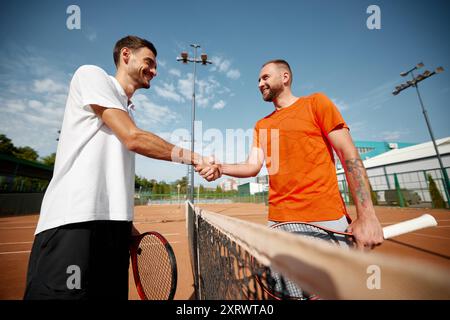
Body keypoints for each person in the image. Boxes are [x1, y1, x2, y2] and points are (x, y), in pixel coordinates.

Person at [24, 35, 210, 300]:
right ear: (126, 55)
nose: (154, 71)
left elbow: (112, 170)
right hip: (74, 223)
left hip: (115, 231)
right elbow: (133, 138)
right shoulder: (91, 75)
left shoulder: (129, 111)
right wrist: (195, 158)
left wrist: (125, 223)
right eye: (149, 62)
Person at [197, 59, 384, 249]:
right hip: (279, 224)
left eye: (265, 77)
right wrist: (221, 168)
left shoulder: (316, 103)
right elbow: (252, 166)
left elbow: (348, 154)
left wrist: (367, 215)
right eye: (258, 80)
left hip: (325, 221)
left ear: (285, 77)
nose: (260, 84)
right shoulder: (261, 125)